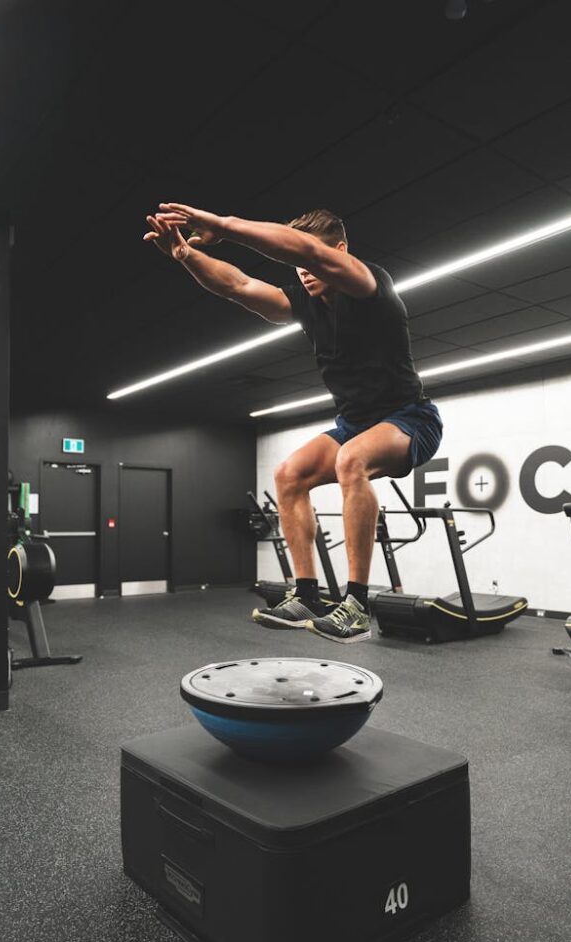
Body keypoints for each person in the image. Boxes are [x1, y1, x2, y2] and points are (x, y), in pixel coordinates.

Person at [144, 204, 443, 643]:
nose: (303, 272)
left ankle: (357, 604)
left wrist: (223, 226)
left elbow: (306, 252)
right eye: (299, 266)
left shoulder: (368, 283)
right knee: (289, 474)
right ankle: (306, 593)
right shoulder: (304, 301)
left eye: (311, 261)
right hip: (353, 423)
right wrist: (187, 255)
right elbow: (239, 284)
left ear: (339, 251)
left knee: (351, 459)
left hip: (410, 419)